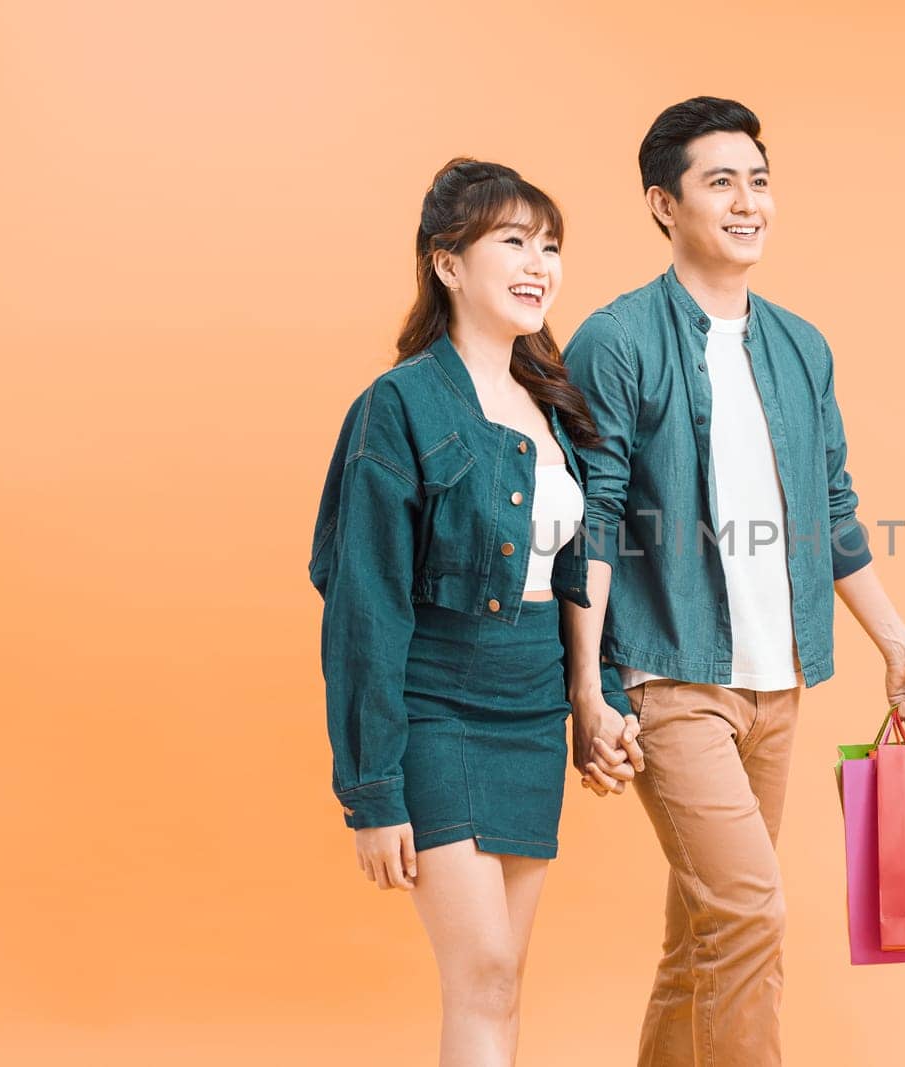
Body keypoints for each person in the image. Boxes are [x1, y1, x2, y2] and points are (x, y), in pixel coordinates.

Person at [561, 96, 905, 1066]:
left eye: (759, 180)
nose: (748, 201)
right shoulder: (618, 340)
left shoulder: (798, 345)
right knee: (748, 911)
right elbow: (590, 521)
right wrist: (586, 690)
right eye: (719, 181)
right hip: (670, 675)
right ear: (663, 203)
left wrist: (896, 642)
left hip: (780, 681)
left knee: (705, 932)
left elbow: (835, 509)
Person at [307, 157, 638, 1067]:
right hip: (438, 704)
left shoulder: (556, 407)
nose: (540, 264)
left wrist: (593, 697)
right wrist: (372, 789)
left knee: (503, 983)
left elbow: (580, 579)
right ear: (448, 263)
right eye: (513, 242)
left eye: (551, 245)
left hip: (532, 709)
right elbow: (362, 606)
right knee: (483, 969)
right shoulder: (399, 405)